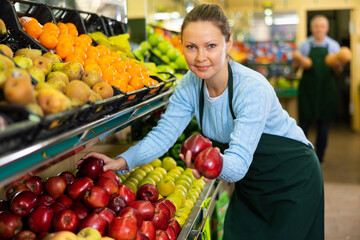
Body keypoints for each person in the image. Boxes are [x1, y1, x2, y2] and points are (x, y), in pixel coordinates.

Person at [79, 4, 324, 239]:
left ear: (228, 43)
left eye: (211, 46)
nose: (200, 57)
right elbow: (164, 134)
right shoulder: (190, 84)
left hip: (293, 180)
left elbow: (237, 165)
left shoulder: (251, 88)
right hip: (252, 187)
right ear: (181, 46)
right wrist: (122, 161)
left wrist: (206, 163)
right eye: (191, 47)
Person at [294, 15, 342, 163]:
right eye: (316, 26)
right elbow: (295, 68)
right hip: (308, 89)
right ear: (311, 28)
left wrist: (337, 65)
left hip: (326, 90)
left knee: (324, 125)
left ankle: (320, 156)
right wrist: (300, 62)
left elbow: (337, 72)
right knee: (304, 123)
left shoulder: (334, 46)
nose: (319, 29)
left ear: (326, 29)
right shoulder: (304, 45)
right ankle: (303, 154)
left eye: (322, 26)